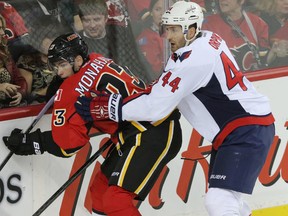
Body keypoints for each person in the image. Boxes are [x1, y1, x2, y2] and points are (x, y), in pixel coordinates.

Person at [74, 1, 276, 215]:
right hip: (243, 128)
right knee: (229, 200)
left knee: (218, 201)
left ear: (191, 29)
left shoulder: (194, 61)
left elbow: (155, 107)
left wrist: (109, 108)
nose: (167, 36)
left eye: (173, 30)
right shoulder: (207, 38)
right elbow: (163, 89)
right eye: (166, 28)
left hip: (245, 130)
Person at [3, 32, 182, 216]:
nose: (59, 72)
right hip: (142, 131)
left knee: (116, 200)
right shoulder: (98, 59)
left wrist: (31, 141)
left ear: (78, 60)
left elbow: (68, 146)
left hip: (151, 134)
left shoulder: (72, 89)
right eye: (56, 66)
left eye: (63, 65)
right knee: (99, 193)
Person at [77, 0, 155, 83]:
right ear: (81, 21)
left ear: (106, 18)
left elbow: (136, 64)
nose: (92, 25)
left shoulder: (120, 34)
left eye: (97, 19)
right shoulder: (78, 43)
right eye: (87, 20)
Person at [202, 0, 274, 72]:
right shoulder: (207, 25)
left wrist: (274, 52)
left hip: (252, 79)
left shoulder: (257, 23)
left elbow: (263, 59)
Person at [0, 14, 27, 108]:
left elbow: (19, 79)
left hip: (9, 107)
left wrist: (20, 93)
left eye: (3, 28)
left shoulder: (4, 53)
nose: (3, 32)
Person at [251, 0, 288, 68]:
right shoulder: (258, 22)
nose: (286, 2)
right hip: (270, 70)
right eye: (282, 0)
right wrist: (273, 52)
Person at [136, 0, 166, 77]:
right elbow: (155, 70)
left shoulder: (175, 33)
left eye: (166, 10)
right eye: (158, 9)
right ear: (151, 13)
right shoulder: (145, 38)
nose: (162, 13)